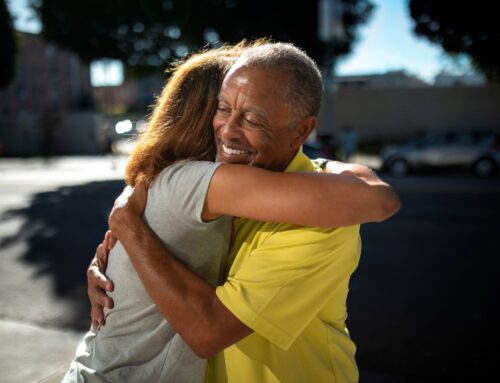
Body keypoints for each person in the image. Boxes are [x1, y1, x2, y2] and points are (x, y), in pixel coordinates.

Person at [87, 42, 401, 383]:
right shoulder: (212, 184)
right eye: (223, 109)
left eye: (252, 118)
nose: (227, 130)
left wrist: (129, 229)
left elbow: (208, 330)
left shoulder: (325, 218)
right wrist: (112, 265)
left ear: (300, 131)